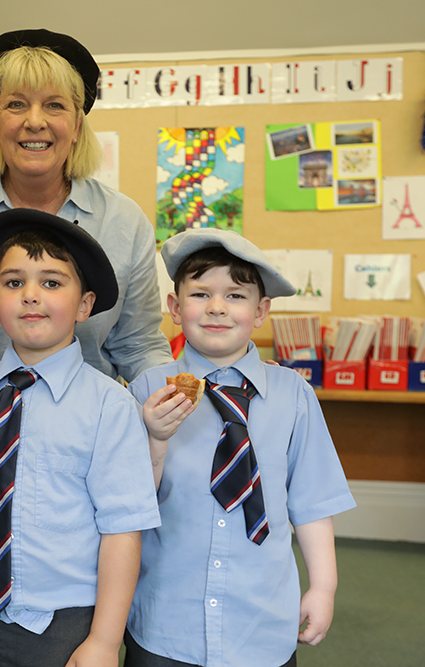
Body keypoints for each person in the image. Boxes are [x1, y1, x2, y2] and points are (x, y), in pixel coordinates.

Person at [0, 208, 161, 667]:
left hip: (64, 623)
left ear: (85, 304)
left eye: (52, 283)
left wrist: (105, 641)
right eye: (14, 283)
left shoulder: (110, 406)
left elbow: (122, 530)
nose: (30, 295)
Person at [125, 228, 356, 667]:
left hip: (261, 624)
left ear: (260, 310)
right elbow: (129, 501)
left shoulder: (294, 395)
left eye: (235, 295)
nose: (216, 307)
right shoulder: (149, 390)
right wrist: (155, 437)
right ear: (175, 308)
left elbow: (312, 500)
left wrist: (323, 587)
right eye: (199, 293)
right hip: (165, 622)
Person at [0, 28, 172, 397]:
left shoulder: (125, 223)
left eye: (55, 104)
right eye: (16, 104)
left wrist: (184, 393)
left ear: (78, 124)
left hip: (89, 434)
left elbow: (139, 345)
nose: (35, 121)